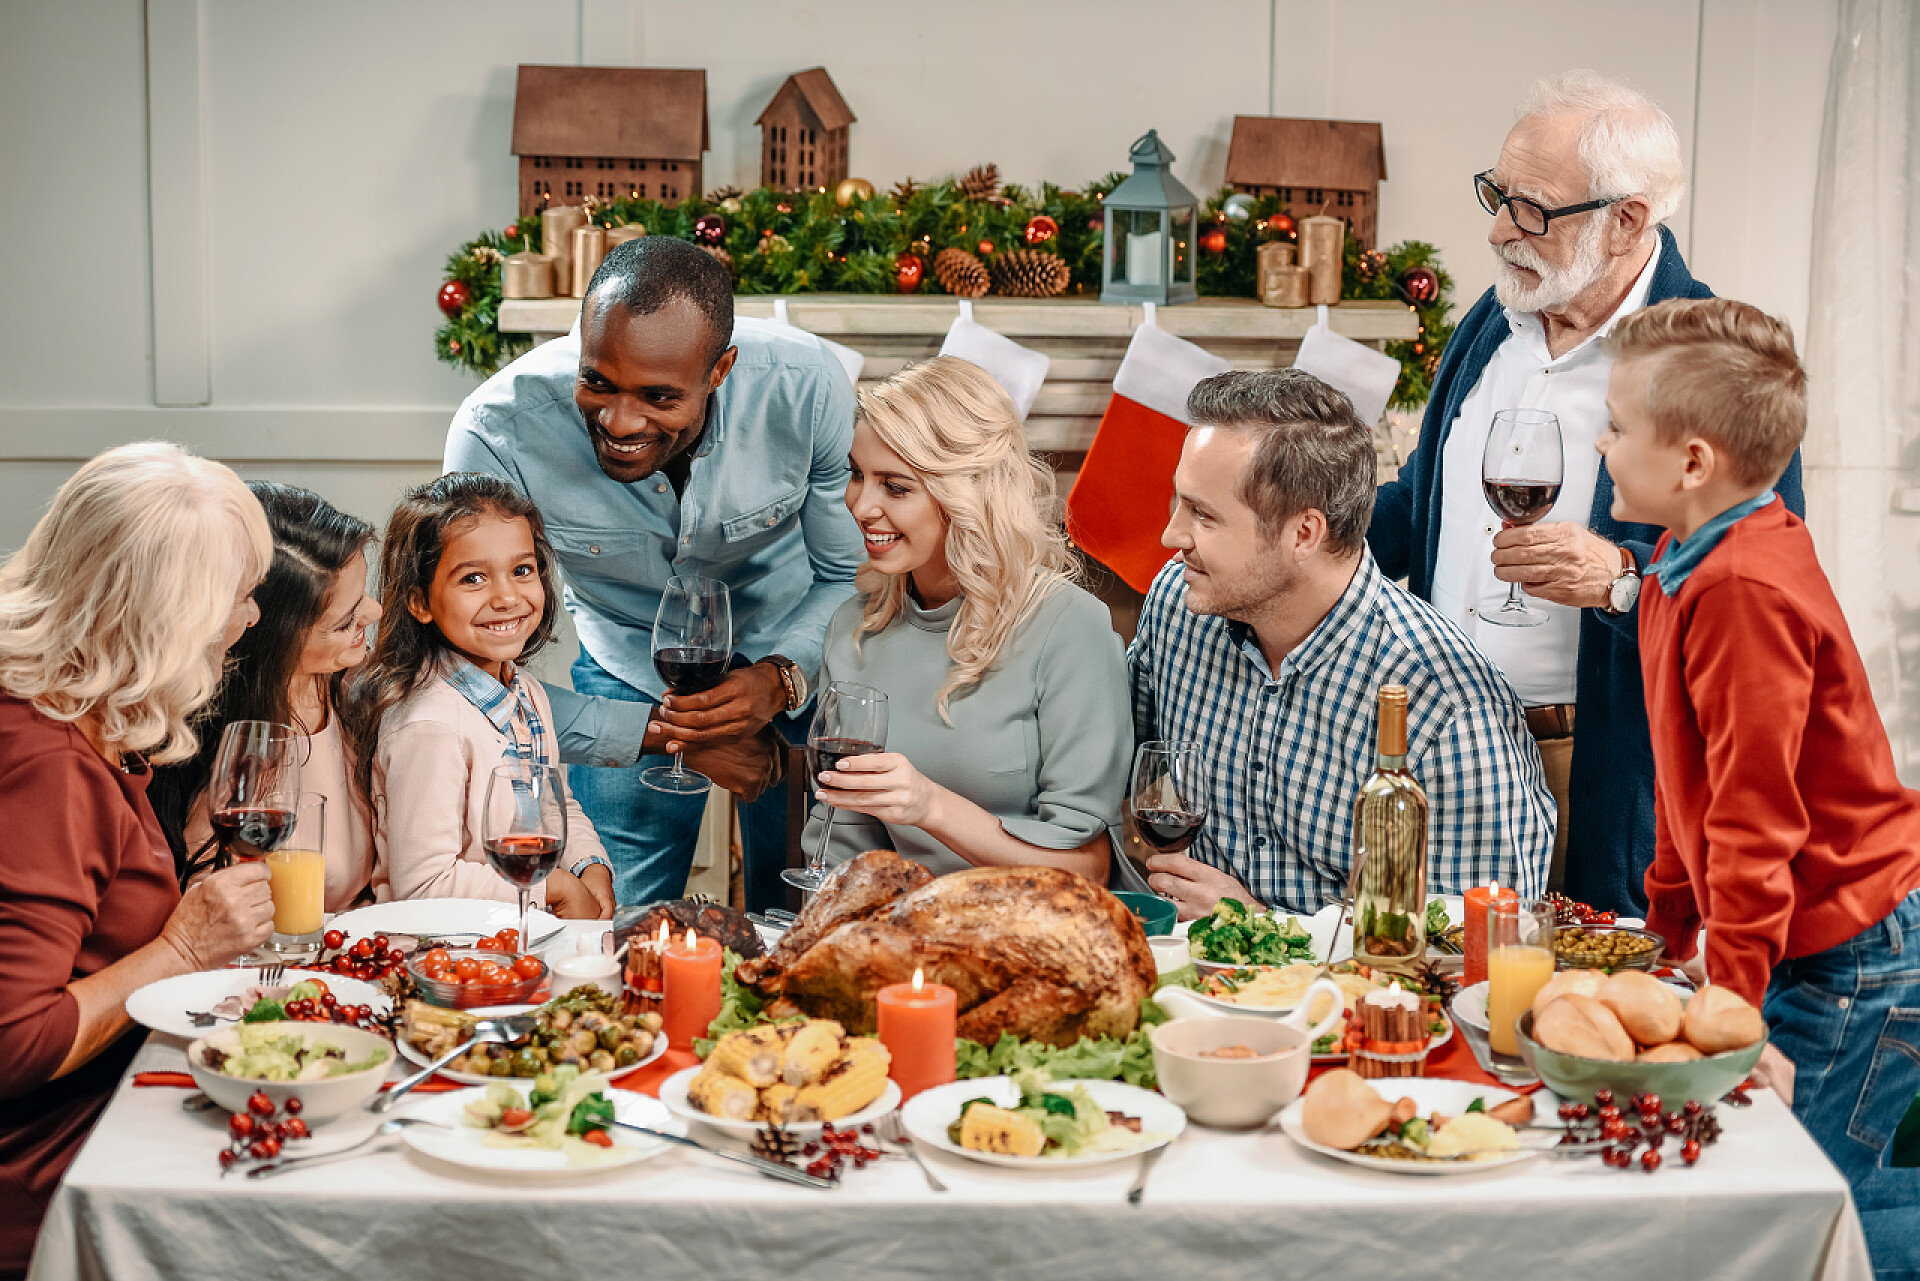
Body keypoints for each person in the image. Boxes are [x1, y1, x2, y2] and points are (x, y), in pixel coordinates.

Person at [1367, 70, 1804, 915]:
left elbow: (1767, 595)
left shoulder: (1715, 360)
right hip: (1437, 747)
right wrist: (1302, 518)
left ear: (1628, 220)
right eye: (1497, 193)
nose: (1499, 229)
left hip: (1590, 769)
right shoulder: (1495, 321)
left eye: (1530, 209)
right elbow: (1427, 501)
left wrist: (1617, 575)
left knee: (1573, 1019)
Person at [1600, 298, 1920, 1269]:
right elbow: (1684, 783)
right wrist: (1665, 941)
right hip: (1803, 935)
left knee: (1819, 1205)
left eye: (1617, 425)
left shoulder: (1739, 591)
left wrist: (1726, 1009)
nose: (1600, 444)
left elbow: (1754, 822)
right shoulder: (1678, 567)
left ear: (1691, 462)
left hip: (1851, 951)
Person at [446, 235, 862, 909]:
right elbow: (468, 662)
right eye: (597, 382)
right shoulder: (497, 430)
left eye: (659, 397)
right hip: (628, 674)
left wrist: (780, 680)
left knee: (804, 914)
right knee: (611, 920)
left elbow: (849, 575)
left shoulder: (805, 386)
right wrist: (665, 736)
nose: (619, 420)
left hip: (798, 657)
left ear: (720, 369)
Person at [1129, 370, 1554, 919]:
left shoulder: (1448, 702)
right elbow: (1110, 758)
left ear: (1304, 534)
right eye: (1179, 503)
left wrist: (1261, 927)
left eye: (1203, 515)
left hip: (1354, 999)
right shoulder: (1179, 605)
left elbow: (1487, 941)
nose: (1171, 536)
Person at [0, 443, 277, 1276]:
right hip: (55, 1171)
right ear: (170, 618)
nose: (253, 618)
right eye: (239, 597)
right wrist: (182, 950)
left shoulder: (65, 711)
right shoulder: (45, 762)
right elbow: (14, 1044)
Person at [802, 358, 1130, 881]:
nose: (861, 505)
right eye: (857, 474)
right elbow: (840, 852)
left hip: (1029, 941)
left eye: (896, 486)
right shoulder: (853, 630)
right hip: (898, 941)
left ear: (965, 496)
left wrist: (932, 808)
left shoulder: (1069, 628)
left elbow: (1088, 870)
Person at [344, 474, 612, 916]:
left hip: (520, 936)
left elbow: (552, 801)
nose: (507, 596)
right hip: (446, 955)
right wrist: (553, 889)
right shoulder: (429, 725)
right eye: (473, 579)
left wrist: (590, 865)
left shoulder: (524, 693)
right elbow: (425, 884)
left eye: (522, 571)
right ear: (420, 603)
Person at [149, 483, 383, 909]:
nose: (375, 613)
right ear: (275, 637)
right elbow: (206, 909)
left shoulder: (357, 691)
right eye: (347, 620)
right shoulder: (218, 750)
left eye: (365, 594)